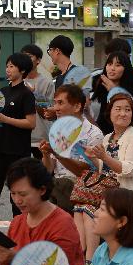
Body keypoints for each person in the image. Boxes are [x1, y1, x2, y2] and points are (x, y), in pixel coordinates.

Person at [39, 84, 104, 216]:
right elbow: (48, 170)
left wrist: (56, 153)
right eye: (55, 103)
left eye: (60, 103)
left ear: (77, 106)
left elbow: (84, 171)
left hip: (82, 187)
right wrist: (46, 154)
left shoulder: (93, 133)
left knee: (59, 185)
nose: (55, 108)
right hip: (59, 185)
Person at [0, 53, 36, 219]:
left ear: (22, 70)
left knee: (16, 195)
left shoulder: (26, 94)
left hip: (18, 152)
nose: (7, 70)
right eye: (7, 66)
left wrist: (5, 119)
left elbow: (31, 123)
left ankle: (20, 229)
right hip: (0, 149)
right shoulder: (3, 91)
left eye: (11, 66)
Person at [89, 93, 133, 212]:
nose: (123, 114)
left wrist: (104, 157)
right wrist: (93, 157)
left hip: (132, 200)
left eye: (127, 110)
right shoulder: (108, 137)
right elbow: (107, 169)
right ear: (110, 112)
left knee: (87, 209)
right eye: (118, 109)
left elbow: (128, 170)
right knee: (81, 207)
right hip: (112, 197)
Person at [91, 51, 133, 134]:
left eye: (118, 65)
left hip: (127, 136)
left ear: (126, 68)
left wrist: (114, 91)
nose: (112, 68)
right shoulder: (102, 87)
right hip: (105, 135)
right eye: (109, 64)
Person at [21, 44, 55, 159]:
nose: (25, 59)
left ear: (38, 61)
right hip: (20, 137)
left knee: (42, 173)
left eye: (29, 56)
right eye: (23, 56)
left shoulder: (47, 83)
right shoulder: (16, 82)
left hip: (40, 138)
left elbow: (47, 113)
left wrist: (32, 95)